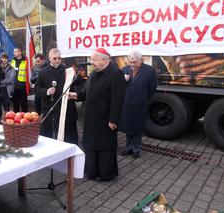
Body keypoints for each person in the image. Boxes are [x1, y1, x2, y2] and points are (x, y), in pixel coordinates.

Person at [68, 48, 126, 181]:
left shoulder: (116, 74)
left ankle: (105, 174)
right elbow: (86, 92)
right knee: (91, 145)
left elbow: (118, 100)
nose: (91, 62)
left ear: (104, 60)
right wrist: (76, 95)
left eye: (94, 60)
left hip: (105, 119)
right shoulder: (94, 73)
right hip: (91, 118)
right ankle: (92, 172)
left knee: (104, 146)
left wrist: (113, 119)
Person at [35, 48, 78, 144]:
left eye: (59, 58)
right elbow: (37, 90)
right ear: (49, 58)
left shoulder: (68, 70)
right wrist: (47, 91)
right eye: (55, 58)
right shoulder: (43, 72)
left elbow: (76, 85)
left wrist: (75, 76)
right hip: (50, 110)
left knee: (69, 139)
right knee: (49, 139)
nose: (57, 60)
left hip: (67, 110)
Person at [120, 51, 157, 158]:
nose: (132, 65)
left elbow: (152, 88)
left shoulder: (149, 70)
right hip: (127, 103)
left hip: (140, 103)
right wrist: (123, 80)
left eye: (134, 62)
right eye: (130, 62)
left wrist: (144, 98)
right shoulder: (125, 69)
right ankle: (128, 147)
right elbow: (120, 86)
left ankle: (136, 149)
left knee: (137, 127)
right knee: (128, 126)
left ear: (141, 60)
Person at [0, 53, 15, 123]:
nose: (4, 60)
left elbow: (10, 80)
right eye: (2, 58)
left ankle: (7, 126)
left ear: (8, 59)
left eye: (5, 58)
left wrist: (0, 82)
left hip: (6, 92)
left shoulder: (11, 68)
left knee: (7, 112)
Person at [10, 47, 28, 112]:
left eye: (15, 51)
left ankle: (25, 118)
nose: (13, 53)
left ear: (20, 52)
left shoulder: (26, 61)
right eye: (14, 51)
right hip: (14, 85)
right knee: (15, 103)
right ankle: (16, 118)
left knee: (23, 103)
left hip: (22, 85)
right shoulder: (12, 61)